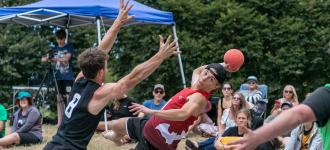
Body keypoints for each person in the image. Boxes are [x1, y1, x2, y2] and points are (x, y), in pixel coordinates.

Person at [43, 0, 178, 149]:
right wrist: (160, 56)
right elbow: (134, 76)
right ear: (101, 72)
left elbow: (101, 49)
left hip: (53, 144)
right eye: (105, 63)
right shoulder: (99, 93)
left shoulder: (80, 79)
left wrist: (117, 23)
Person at [103, 60, 234, 149]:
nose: (204, 77)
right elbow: (196, 71)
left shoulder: (199, 98)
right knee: (117, 124)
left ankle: (118, 138)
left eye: (210, 79)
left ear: (216, 86)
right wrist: (223, 64)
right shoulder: (196, 85)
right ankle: (116, 138)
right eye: (205, 73)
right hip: (149, 127)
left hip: (156, 143)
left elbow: (183, 114)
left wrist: (151, 111)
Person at [230, 84, 330, 150]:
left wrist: (257, 137)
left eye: (290, 92)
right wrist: (277, 112)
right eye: (286, 91)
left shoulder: (299, 111)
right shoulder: (279, 108)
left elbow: (299, 114)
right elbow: (270, 118)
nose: (287, 93)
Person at [41, 28, 75, 126]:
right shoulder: (54, 48)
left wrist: (54, 59)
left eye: (62, 39)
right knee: (58, 99)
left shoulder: (69, 47)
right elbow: (43, 59)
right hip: (57, 77)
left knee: (69, 98)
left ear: (65, 38)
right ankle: (60, 122)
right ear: (56, 39)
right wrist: (47, 58)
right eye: (59, 39)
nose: (61, 41)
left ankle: (69, 121)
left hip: (67, 77)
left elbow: (66, 59)